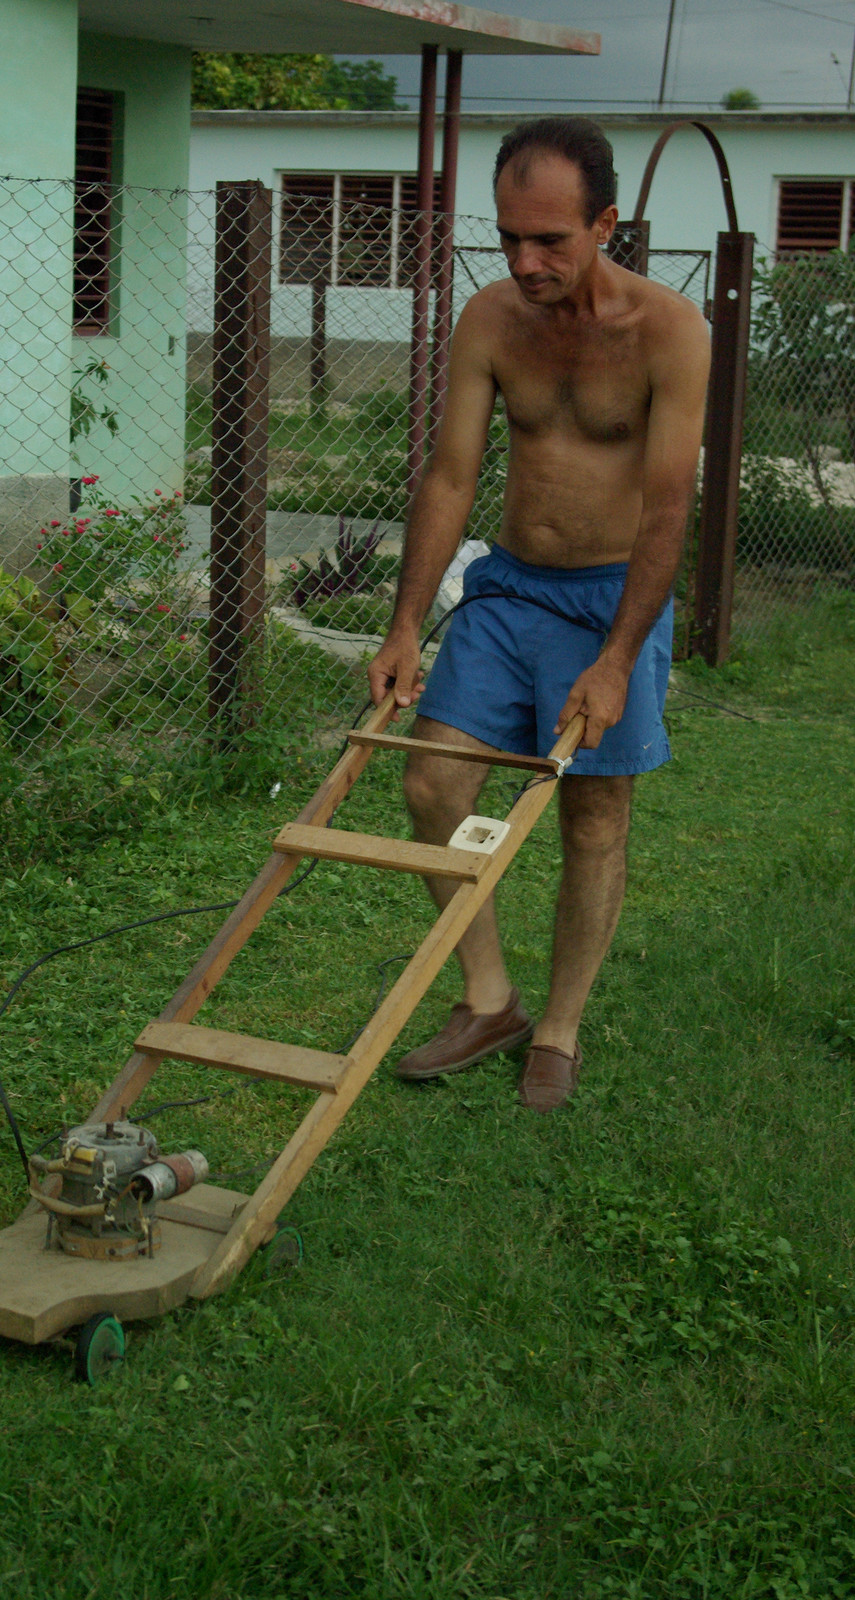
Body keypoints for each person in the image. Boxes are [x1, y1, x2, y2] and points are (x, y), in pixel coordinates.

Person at [366, 117, 711, 1112]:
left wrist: (618, 656)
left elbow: (667, 508)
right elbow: (449, 476)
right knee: (433, 785)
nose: (526, 260)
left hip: (611, 601)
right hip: (509, 589)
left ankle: (556, 1029)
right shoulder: (491, 320)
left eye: (551, 239)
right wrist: (399, 627)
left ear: (605, 223)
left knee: (593, 816)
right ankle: (489, 996)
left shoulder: (670, 332)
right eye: (510, 236)